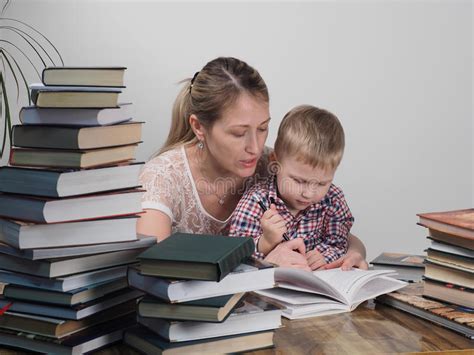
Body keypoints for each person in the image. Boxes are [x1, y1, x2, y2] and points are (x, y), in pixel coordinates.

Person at [137, 57, 368, 270]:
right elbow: (151, 268)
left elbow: (328, 228)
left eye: (263, 128)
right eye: (239, 133)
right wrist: (261, 262)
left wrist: (355, 252)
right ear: (199, 127)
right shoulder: (162, 178)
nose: (255, 148)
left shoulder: (273, 164)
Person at [228, 105, 354, 270]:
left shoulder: (333, 199)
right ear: (275, 162)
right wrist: (265, 242)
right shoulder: (257, 200)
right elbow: (236, 256)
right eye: (298, 180)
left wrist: (323, 256)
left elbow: (340, 243)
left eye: (322, 183)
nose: (308, 193)